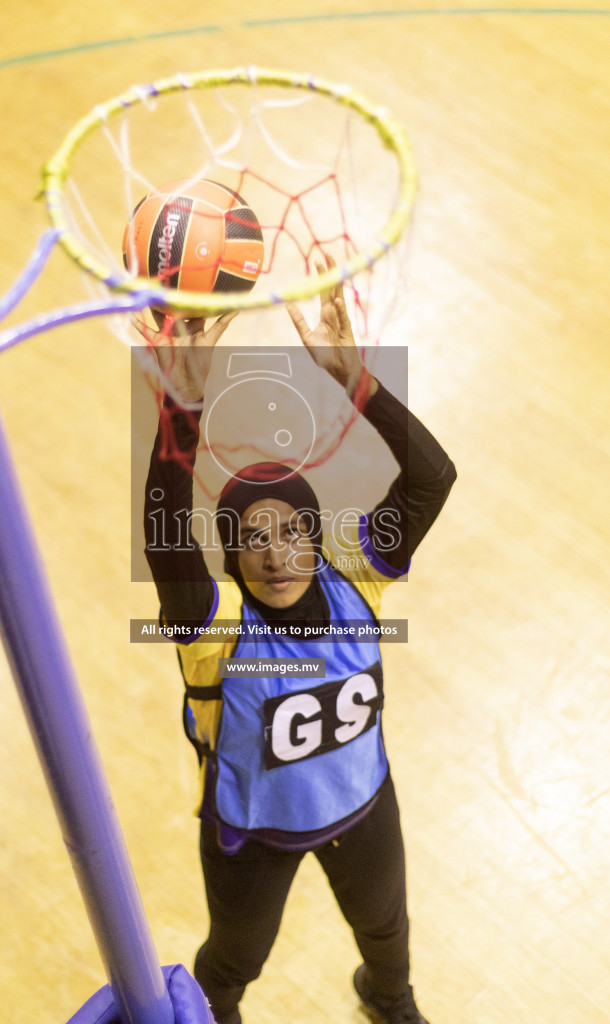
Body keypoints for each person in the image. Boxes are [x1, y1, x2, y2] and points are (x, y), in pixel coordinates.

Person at [136, 260, 457, 1024]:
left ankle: (388, 998)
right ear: (229, 555)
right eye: (253, 539)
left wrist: (356, 382)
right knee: (235, 960)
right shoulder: (211, 629)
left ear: (317, 537)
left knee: (387, 930)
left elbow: (433, 477)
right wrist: (181, 409)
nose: (276, 552)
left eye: (292, 532)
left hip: (366, 802)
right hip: (255, 836)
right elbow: (162, 538)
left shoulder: (358, 580)